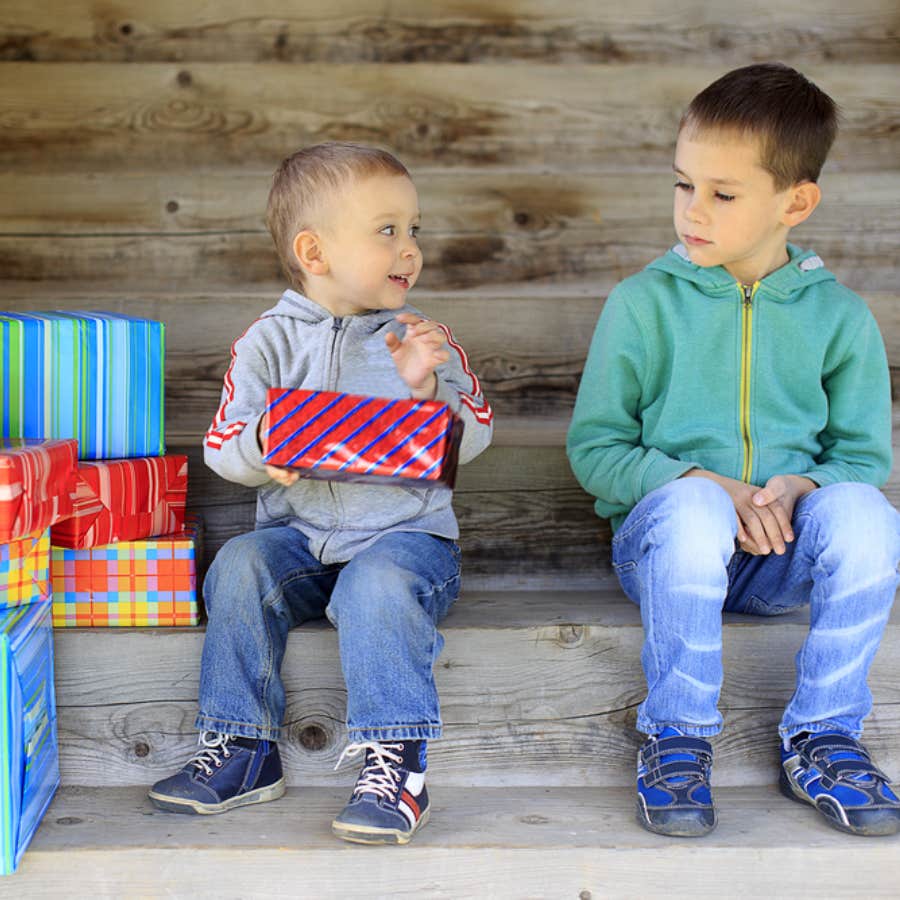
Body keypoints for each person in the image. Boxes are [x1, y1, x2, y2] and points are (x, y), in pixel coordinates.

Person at [567, 63, 900, 839]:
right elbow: (596, 449)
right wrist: (704, 483)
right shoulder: (643, 303)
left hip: (785, 554)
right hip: (668, 548)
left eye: (722, 193)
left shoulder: (841, 318)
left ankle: (825, 735)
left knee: (869, 517)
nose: (693, 210)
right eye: (684, 185)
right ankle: (676, 737)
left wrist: (799, 487)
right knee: (687, 510)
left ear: (796, 202)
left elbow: (861, 457)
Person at [148, 142, 493, 845]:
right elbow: (223, 445)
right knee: (239, 562)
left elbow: (478, 434)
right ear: (315, 251)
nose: (410, 249)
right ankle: (242, 748)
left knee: (373, 586)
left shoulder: (421, 338)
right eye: (387, 230)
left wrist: (426, 389)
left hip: (408, 544)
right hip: (301, 540)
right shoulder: (267, 344)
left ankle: (396, 763)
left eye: (414, 229)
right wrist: (266, 443)